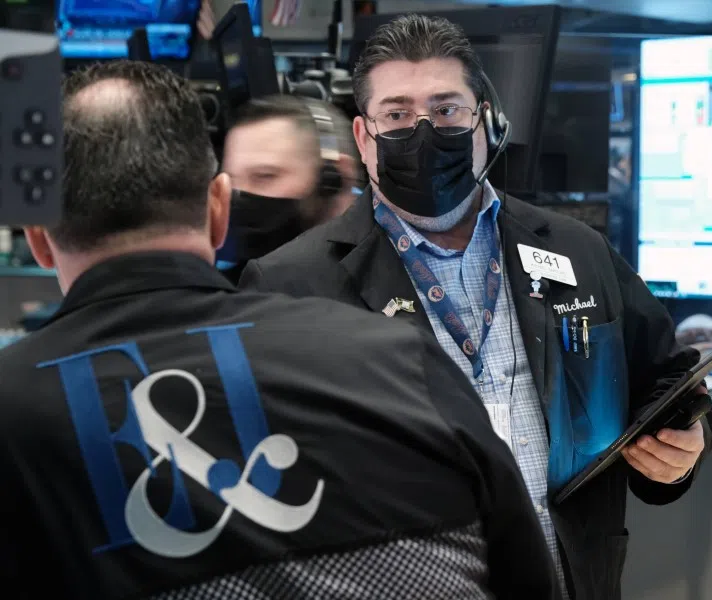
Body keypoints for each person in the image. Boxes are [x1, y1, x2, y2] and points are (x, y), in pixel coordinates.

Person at [0, 60, 555, 600]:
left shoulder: (15, 415)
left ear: (38, 238)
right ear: (220, 208)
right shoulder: (403, 358)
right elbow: (528, 575)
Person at [241, 14, 712, 600]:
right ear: (363, 138)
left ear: (484, 122)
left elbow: (669, 378)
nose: (424, 131)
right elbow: (264, 489)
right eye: (397, 115)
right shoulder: (291, 284)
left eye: (446, 110)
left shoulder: (575, 249)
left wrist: (685, 444)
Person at [217, 95, 362, 282]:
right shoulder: (229, 279)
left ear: (334, 178)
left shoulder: (386, 276)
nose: (239, 193)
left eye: (264, 176)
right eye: (231, 180)